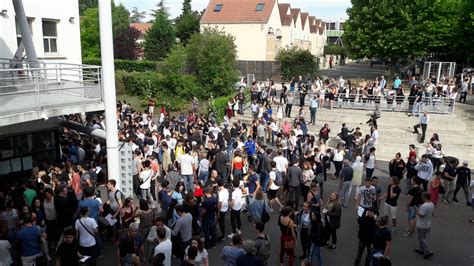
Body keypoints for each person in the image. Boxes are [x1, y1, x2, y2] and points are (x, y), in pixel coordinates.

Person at [414, 192, 435, 259]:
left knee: (421, 238)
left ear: (425, 197)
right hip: (427, 223)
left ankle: (428, 251)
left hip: (422, 224)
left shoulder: (424, 206)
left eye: (422, 196)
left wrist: (417, 210)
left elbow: (421, 215)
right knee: (423, 237)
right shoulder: (431, 204)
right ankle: (421, 250)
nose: (421, 197)